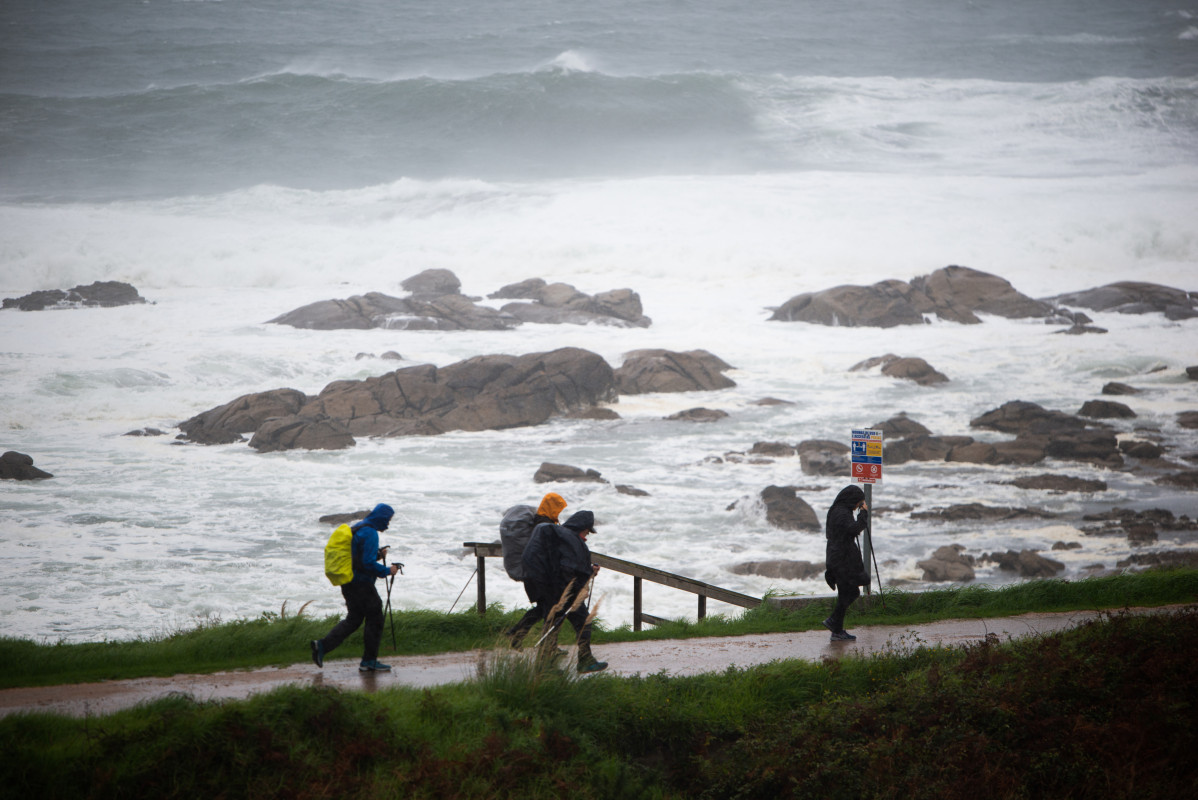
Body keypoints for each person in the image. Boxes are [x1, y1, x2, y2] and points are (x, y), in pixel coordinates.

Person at [310, 503, 401, 672]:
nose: (388, 524)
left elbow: (358, 557)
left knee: (354, 619)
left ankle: (321, 646)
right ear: (381, 517)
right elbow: (366, 564)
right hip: (362, 584)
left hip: (348, 581)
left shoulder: (359, 527)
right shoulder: (371, 533)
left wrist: (378, 556)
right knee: (375, 618)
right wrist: (388, 570)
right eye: (387, 519)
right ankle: (369, 661)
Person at [519, 509, 608, 673]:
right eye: (587, 532)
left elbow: (562, 565)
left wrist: (588, 571)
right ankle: (584, 661)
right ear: (581, 527)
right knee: (583, 622)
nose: (586, 536)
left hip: (550, 588)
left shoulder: (560, 536)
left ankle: (545, 665)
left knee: (552, 625)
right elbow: (569, 570)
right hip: (564, 591)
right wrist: (578, 590)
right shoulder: (571, 540)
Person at [504, 492, 568, 647]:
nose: (559, 512)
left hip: (533, 575)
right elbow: (546, 552)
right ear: (551, 507)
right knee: (550, 610)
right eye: (557, 508)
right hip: (538, 576)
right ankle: (547, 645)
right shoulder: (543, 525)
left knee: (543, 609)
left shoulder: (540, 522)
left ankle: (517, 635)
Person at [823, 485, 870, 641]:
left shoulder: (837, 509)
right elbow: (854, 529)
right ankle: (834, 624)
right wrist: (863, 514)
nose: (858, 505)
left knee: (847, 592)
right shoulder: (842, 513)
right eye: (859, 502)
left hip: (838, 555)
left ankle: (836, 629)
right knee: (851, 592)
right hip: (841, 557)